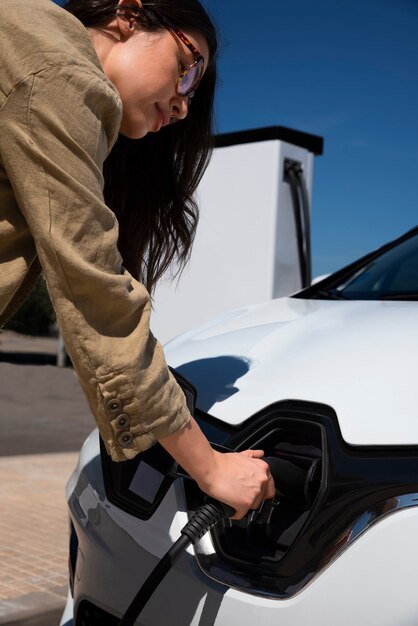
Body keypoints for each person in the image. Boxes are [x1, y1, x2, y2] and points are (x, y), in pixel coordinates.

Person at [0, 0, 275, 519]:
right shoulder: (58, 71)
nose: (184, 106)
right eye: (188, 70)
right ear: (128, 13)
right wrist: (212, 469)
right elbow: (96, 295)